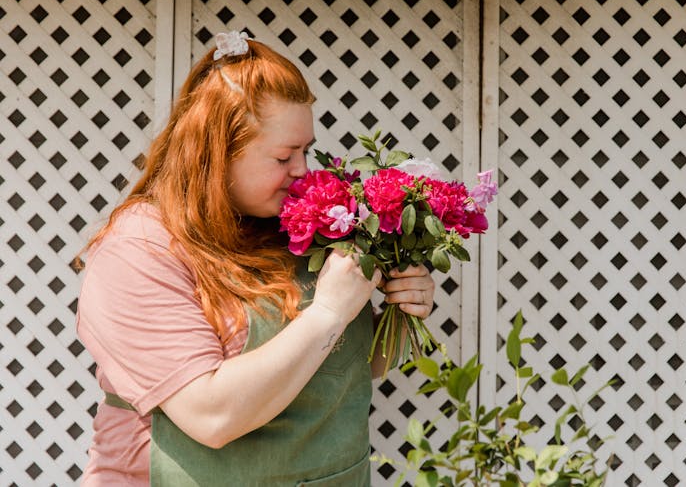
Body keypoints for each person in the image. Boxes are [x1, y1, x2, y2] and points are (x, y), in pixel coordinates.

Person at [75, 31, 435, 486]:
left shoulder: (290, 223)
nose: (303, 170)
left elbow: (345, 367)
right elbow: (211, 415)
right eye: (284, 155)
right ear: (216, 153)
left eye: (306, 150)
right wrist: (327, 311)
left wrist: (402, 315)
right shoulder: (141, 248)